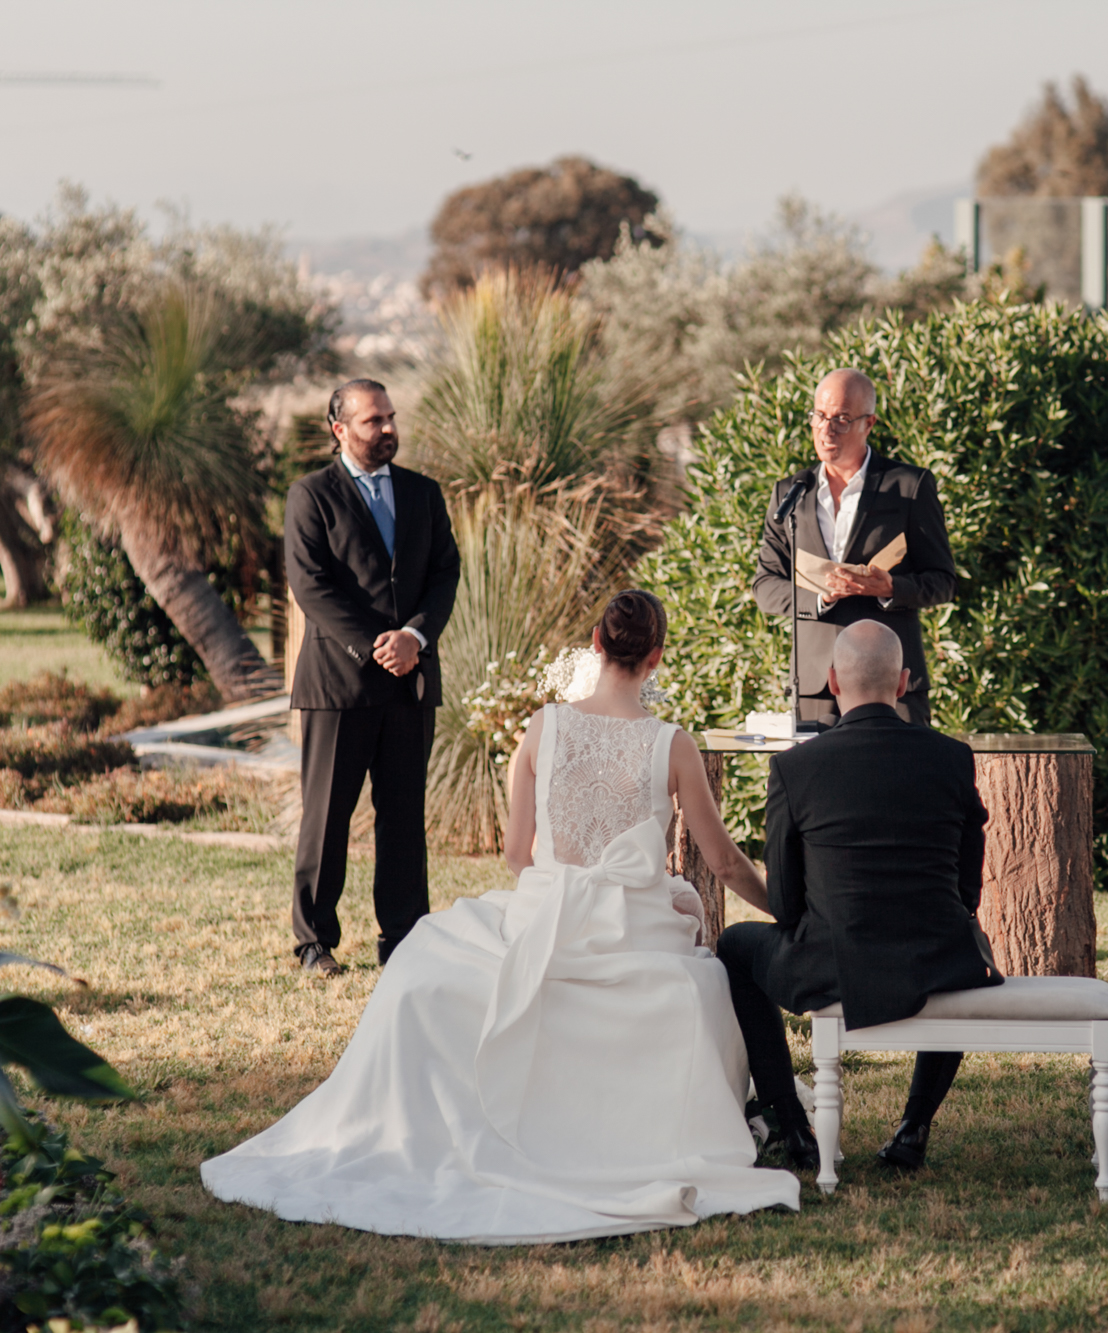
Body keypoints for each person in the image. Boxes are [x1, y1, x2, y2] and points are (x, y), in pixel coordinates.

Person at [202, 591, 801, 1242]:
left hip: (546, 913)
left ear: (595, 643)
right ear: (655, 658)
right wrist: (784, 908)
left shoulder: (543, 727)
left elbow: (517, 855)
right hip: (636, 927)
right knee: (703, 984)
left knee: (426, 956)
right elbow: (723, 861)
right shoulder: (672, 744)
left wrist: (562, 888)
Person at [717, 621, 1000, 1173]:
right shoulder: (952, 757)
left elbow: (787, 901)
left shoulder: (795, 767)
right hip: (936, 956)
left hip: (830, 964)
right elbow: (968, 886)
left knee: (734, 947)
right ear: (904, 683)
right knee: (964, 937)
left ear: (830, 682)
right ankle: (913, 1128)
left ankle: (794, 1128)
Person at [285, 379, 461, 975]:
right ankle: (314, 942)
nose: (387, 429)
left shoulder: (423, 493)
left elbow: (444, 574)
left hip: (410, 682)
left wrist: (414, 637)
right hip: (339, 685)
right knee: (327, 817)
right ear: (339, 430)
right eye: (372, 421)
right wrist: (374, 646)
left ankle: (405, 939)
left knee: (405, 818)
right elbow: (311, 585)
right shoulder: (310, 496)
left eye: (390, 417)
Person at [752, 368, 956, 727]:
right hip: (816, 684)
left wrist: (891, 588)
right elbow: (765, 585)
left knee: (901, 783)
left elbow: (943, 581)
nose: (827, 429)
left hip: (893, 684)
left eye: (842, 419)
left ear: (869, 423)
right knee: (817, 785)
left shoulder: (910, 486)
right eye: (820, 416)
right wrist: (819, 597)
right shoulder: (790, 493)